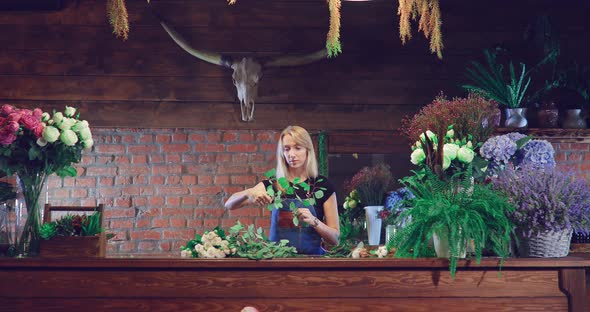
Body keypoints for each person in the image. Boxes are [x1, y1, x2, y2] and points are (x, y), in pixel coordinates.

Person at [224, 125, 339, 255]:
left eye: (297, 148)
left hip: (312, 263)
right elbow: (229, 204)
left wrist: (314, 221)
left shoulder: (323, 185)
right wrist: (250, 193)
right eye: (287, 149)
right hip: (278, 261)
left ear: (308, 150)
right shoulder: (274, 184)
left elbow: (336, 239)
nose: (291, 154)